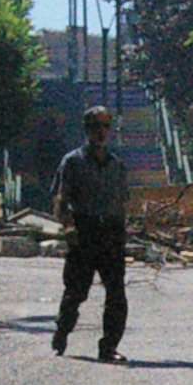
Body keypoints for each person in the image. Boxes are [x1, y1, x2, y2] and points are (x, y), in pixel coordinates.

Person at [50, 107, 129, 362]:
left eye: (105, 126)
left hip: (111, 233)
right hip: (85, 231)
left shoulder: (116, 165)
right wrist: (68, 226)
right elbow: (61, 199)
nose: (101, 132)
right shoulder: (73, 162)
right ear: (87, 130)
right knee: (76, 290)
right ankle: (62, 330)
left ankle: (108, 347)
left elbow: (122, 201)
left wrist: (122, 232)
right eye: (96, 126)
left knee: (116, 293)